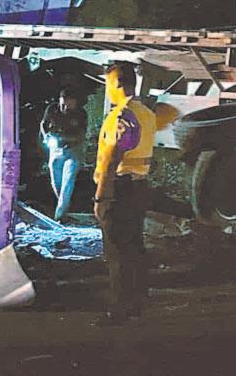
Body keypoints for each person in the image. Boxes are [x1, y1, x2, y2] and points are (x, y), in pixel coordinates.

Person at [93, 62, 156, 325]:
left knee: (116, 253)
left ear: (118, 83)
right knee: (134, 248)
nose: (107, 89)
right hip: (138, 187)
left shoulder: (122, 115)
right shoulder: (146, 113)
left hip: (119, 189)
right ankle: (136, 303)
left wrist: (101, 196)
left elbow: (112, 157)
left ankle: (119, 309)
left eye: (108, 83)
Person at [40, 87, 87, 221]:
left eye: (69, 105)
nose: (65, 108)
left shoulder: (81, 113)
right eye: (63, 104)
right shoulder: (52, 109)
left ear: (75, 103)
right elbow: (43, 124)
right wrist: (46, 136)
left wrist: (63, 138)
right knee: (56, 181)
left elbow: (81, 135)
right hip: (55, 149)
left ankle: (59, 215)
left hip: (73, 149)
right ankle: (64, 207)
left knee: (68, 180)